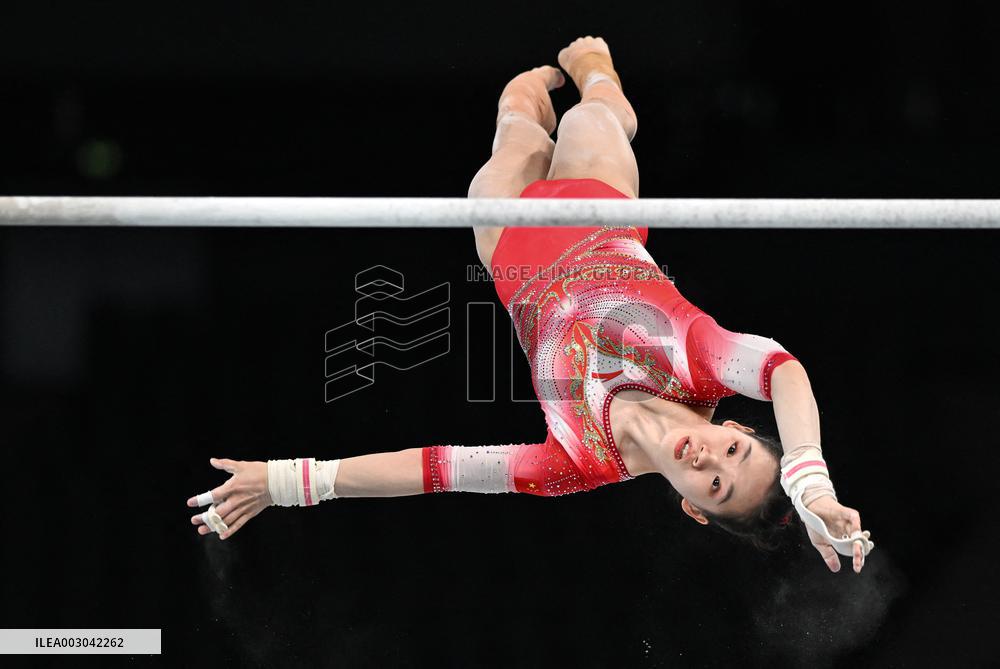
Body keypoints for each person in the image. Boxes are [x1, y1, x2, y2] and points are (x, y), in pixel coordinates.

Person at [187, 37, 873, 573]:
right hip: (599, 203)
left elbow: (435, 469)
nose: (709, 459)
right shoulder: (701, 365)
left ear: (694, 509)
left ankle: (522, 113)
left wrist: (291, 481)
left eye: (716, 486)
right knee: (586, 118)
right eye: (733, 450)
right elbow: (784, 367)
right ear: (743, 428)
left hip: (509, 238)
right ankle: (603, 79)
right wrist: (810, 478)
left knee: (517, 126)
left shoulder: (575, 463)